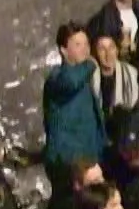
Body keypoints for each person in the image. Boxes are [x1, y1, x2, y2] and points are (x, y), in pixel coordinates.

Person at [42, 22, 105, 169]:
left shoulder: (84, 78)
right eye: (78, 45)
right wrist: (90, 64)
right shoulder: (57, 78)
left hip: (88, 159)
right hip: (68, 163)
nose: (85, 49)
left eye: (86, 44)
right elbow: (70, 82)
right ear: (63, 50)